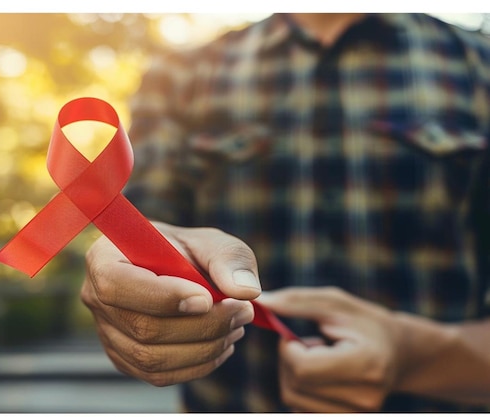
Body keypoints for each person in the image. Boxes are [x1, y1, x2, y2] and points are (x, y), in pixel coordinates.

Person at [81, 13, 490, 412]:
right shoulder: (181, 76)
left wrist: (415, 356)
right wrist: (130, 275)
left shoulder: (479, 64)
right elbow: (144, 230)